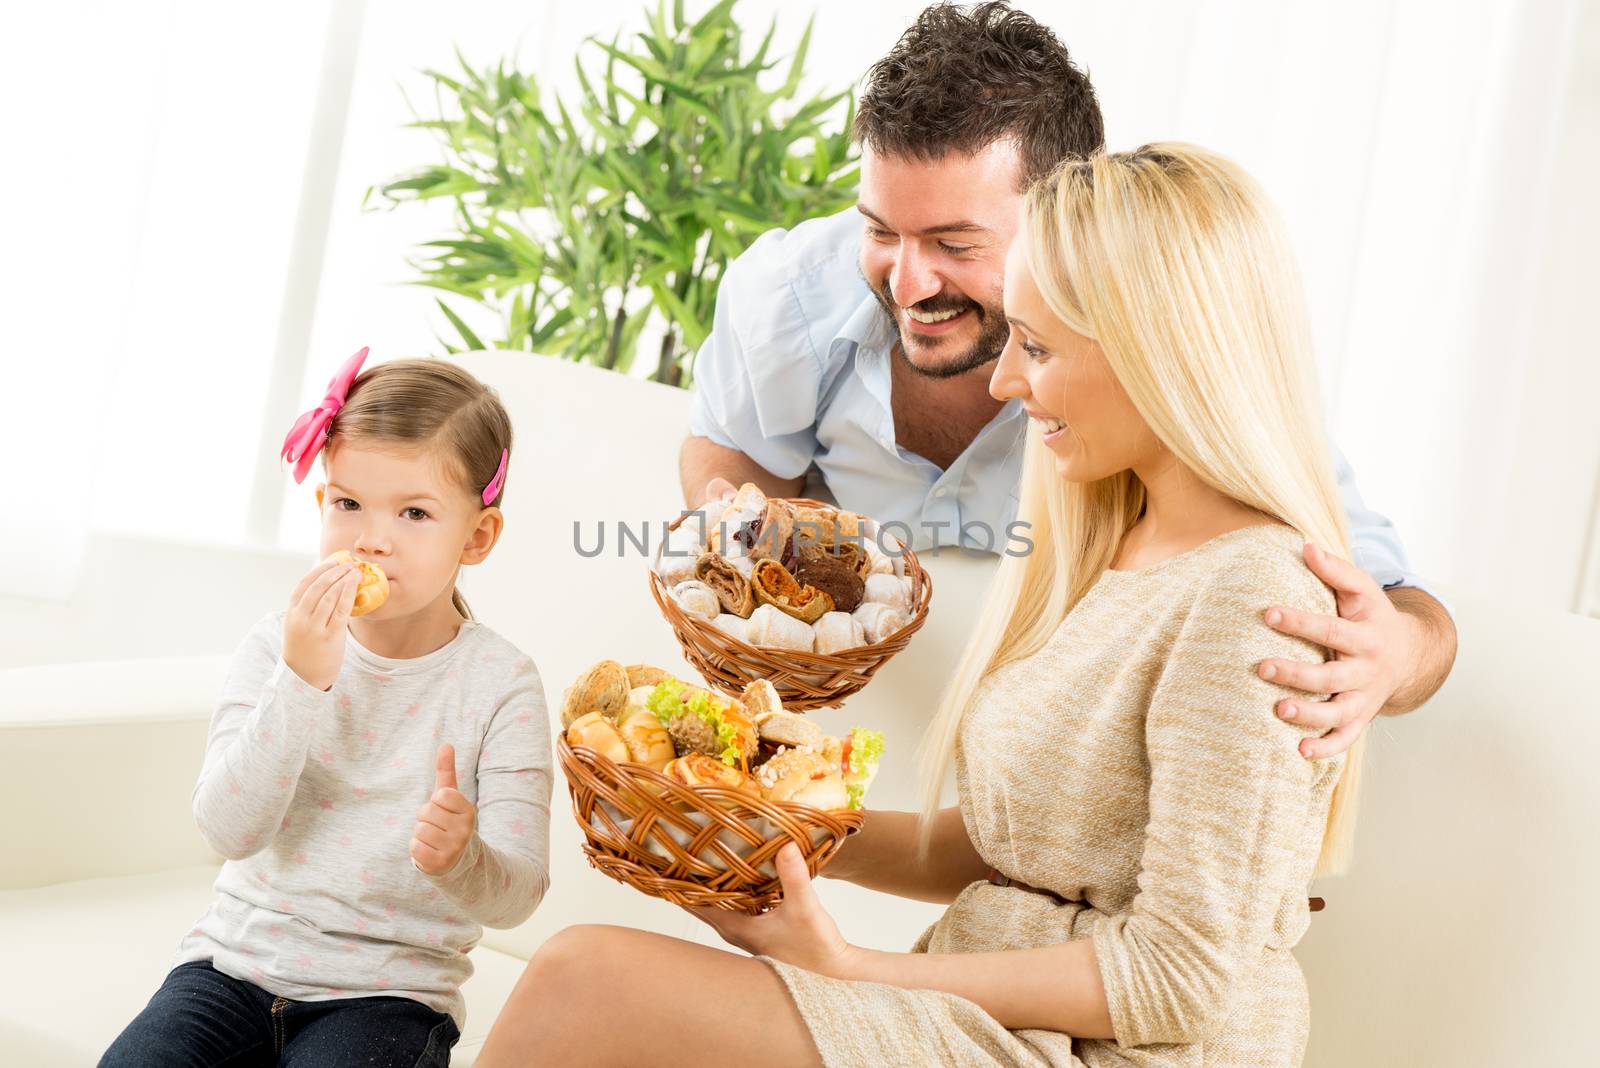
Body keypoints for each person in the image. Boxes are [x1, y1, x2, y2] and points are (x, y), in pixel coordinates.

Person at [478, 140, 1365, 1067]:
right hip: (982, 1020)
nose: (1007, 383)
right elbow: (1013, 849)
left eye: (1039, 346)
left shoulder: (1257, 595)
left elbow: (1175, 980)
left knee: (585, 981)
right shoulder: (1120, 545)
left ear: (1161, 348)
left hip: (1107, 1051)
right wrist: (774, 820)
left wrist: (850, 966)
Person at [680, 1, 1455, 760]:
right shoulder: (788, 298)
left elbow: (1401, 607)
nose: (908, 283)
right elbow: (728, 446)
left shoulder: (1149, 360)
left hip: (1027, 751)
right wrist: (744, 545)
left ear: (1068, 222)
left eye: (955, 243)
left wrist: (1395, 655)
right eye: (881, 230)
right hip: (851, 719)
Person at [100, 352, 553, 1068]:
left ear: (477, 537)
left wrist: (463, 859)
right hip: (228, 970)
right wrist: (301, 682)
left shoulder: (501, 685)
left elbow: (519, 896)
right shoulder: (274, 647)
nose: (371, 537)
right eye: (348, 504)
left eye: (413, 512)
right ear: (322, 507)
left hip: (390, 999)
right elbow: (226, 830)